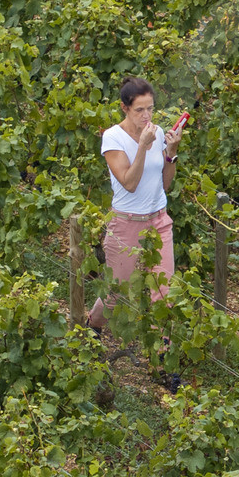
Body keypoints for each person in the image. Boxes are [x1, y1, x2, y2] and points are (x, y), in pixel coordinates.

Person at [87, 77, 184, 330]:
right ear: (125, 108)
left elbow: (164, 184)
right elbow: (129, 184)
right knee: (116, 295)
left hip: (159, 222)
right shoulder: (113, 138)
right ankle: (92, 326)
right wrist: (142, 146)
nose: (146, 115)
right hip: (126, 225)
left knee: (164, 295)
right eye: (139, 109)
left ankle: (162, 362)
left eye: (150, 108)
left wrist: (171, 154)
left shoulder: (158, 132)